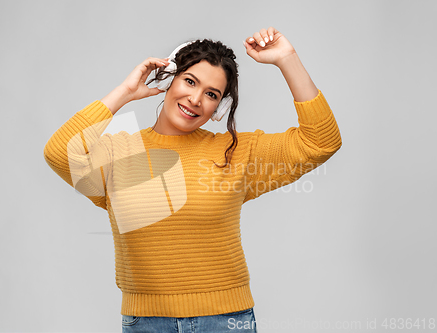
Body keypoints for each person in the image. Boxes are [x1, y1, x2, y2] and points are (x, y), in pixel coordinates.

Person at [43, 26, 342, 333]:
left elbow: (321, 142)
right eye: (189, 81)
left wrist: (286, 58)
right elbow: (58, 152)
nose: (196, 99)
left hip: (225, 321)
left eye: (211, 94)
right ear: (168, 79)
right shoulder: (119, 152)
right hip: (146, 323)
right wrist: (125, 93)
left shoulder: (234, 152)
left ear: (220, 106)